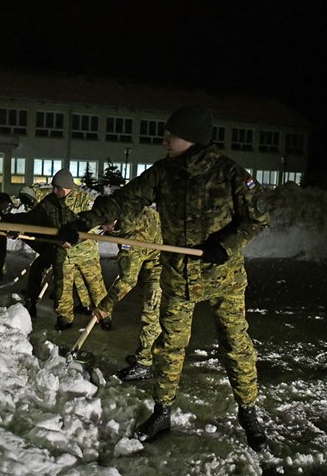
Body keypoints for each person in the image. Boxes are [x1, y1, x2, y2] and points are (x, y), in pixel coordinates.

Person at [58, 104, 271, 451]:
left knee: (235, 345)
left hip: (223, 278)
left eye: (170, 134)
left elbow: (257, 218)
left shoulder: (230, 173)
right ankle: (162, 411)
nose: (164, 140)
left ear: (189, 136)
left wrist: (227, 245)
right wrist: (84, 223)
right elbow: (125, 201)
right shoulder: (163, 173)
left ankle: (248, 412)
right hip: (178, 276)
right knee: (169, 346)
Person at [9, 169, 107, 330]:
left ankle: (105, 316)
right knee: (63, 289)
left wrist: (75, 239)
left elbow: (94, 226)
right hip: (63, 253)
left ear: (67, 187)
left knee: (96, 286)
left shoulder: (84, 201)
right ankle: (64, 318)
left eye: (57, 188)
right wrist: (16, 228)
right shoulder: (50, 201)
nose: (54, 191)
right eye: (53, 187)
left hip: (85, 252)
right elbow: (32, 219)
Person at [93, 206, 163, 384]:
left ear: (113, 222)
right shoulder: (131, 209)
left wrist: (104, 307)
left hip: (162, 266)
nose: (103, 229)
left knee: (151, 313)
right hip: (155, 255)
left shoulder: (130, 241)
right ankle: (147, 354)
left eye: (105, 226)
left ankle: (145, 364)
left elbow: (126, 282)